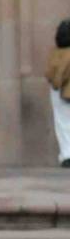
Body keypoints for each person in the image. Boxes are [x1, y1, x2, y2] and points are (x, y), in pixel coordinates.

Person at [47, 18, 70, 167]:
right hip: (64, 88)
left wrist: (56, 83)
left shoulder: (55, 54)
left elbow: (52, 73)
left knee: (62, 123)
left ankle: (67, 154)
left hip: (60, 90)